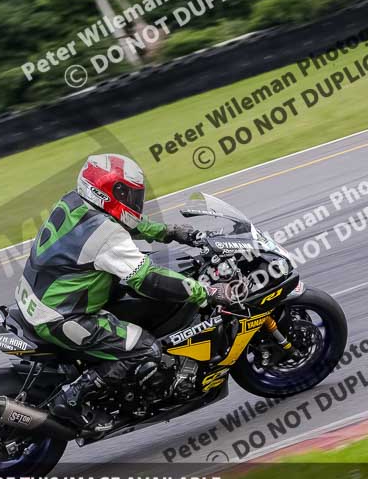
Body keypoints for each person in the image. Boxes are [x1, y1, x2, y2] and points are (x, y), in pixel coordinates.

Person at [13, 154, 226, 429]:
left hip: (36, 297)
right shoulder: (106, 234)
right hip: (62, 316)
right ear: (109, 192)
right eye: (129, 194)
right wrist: (206, 292)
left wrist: (171, 231)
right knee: (145, 348)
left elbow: (128, 223)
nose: (134, 201)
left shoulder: (73, 201)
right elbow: (148, 279)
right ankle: (72, 398)